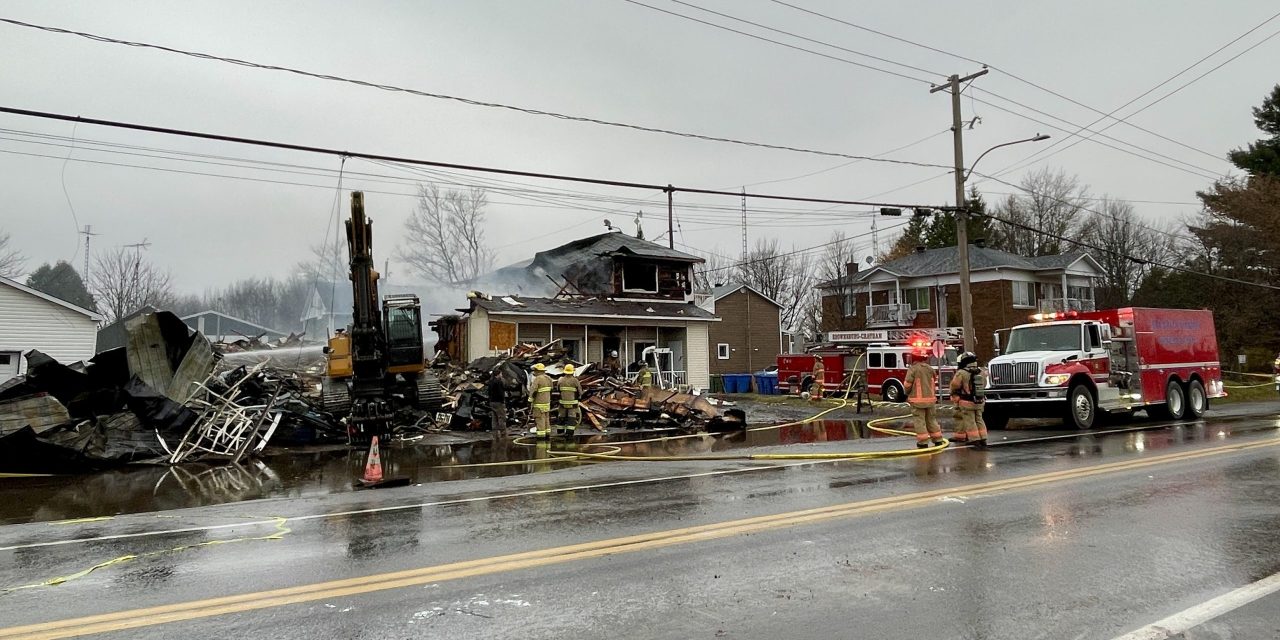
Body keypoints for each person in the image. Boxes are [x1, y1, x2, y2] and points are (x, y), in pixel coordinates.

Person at [903, 353, 945, 449]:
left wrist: (907, 393)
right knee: (931, 420)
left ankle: (923, 442)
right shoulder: (930, 369)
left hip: (918, 401)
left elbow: (907, 385)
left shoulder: (913, 369)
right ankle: (938, 439)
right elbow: (934, 381)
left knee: (920, 421)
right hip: (931, 400)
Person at [949, 351, 988, 448]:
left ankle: (974, 440)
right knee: (979, 419)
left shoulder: (961, 373)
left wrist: (953, 394)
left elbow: (955, 385)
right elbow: (985, 384)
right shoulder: (981, 372)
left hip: (966, 402)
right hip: (979, 401)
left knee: (970, 421)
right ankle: (983, 438)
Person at [528, 363, 554, 437]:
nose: (534, 372)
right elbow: (551, 390)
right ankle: (547, 433)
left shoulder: (538, 379)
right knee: (546, 419)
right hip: (547, 403)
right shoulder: (549, 378)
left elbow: (533, 391)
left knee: (540, 419)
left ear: (538, 371)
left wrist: (529, 400)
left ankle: (541, 436)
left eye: (535, 371)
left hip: (539, 404)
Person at [557, 363, 582, 435]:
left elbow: (558, 390)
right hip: (572, 404)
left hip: (562, 403)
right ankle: (569, 433)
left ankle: (560, 432)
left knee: (561, 417)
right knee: (571, 418)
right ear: (572, 371)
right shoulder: (575, 381)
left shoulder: (560, 380)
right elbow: (580, 392)